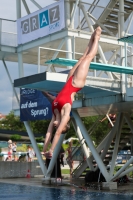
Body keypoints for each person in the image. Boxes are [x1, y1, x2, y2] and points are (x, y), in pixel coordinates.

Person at [43, 26, 102, 158]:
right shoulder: (65, 115)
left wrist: (44, 149)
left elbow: (49, 133)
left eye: (56, 126)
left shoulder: (54, 113)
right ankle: (97, 36)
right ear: (64, 126)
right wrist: (51, 151)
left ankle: (92, 37)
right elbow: (57, 133)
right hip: (75, 84)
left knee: (81, 58)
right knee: (88, 58)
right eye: (59, 127)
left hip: (68, 80)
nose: (55, 126)